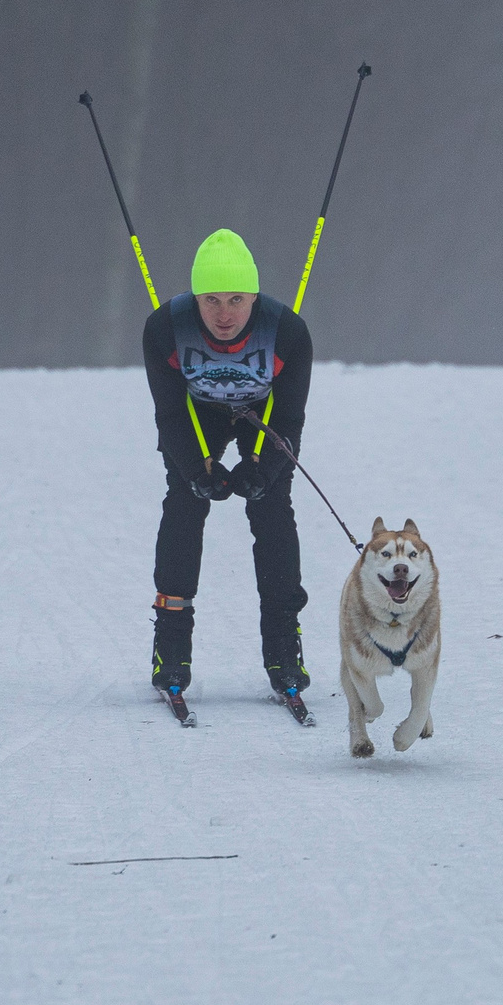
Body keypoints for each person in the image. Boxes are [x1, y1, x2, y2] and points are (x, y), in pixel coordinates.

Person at [142, 227, 312, 705]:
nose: (223, 314)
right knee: (185, 500)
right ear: (196, 298)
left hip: (263, 414)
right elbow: (170, 413)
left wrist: (262, 468)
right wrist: (199, 469)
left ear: (253, 296)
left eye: (236, 299)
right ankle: (170, 643)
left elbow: (291, 417)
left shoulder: (288, 331)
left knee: (272, 505)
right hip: (195, 414)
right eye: (211, 299)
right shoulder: (164, 329)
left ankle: (284, 645)